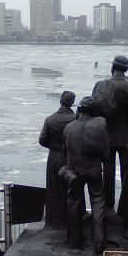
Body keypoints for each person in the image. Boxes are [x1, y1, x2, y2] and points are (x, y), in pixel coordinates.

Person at [91, 55, 128, 210]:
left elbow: (92, 111)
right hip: (126, 136)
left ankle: (108, 206)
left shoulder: (100, 85)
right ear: (126, 69)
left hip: (105, 136)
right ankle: (126, 206)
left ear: (112, 67)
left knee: (107, 172)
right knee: (127, 173)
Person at [61, 97, 110, 252]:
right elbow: (106, 152)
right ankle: (99, 242)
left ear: (79, 110)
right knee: (98, 203)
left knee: (74, 202)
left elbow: (65, 152)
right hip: (94, 169)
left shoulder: (69, 127)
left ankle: (74, 240)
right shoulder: (100, 125)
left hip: (75, 171)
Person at [38, 91, 77, 227]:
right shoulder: (75, 119)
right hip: (70, 157)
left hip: (54, 156)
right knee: (72, 188)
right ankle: (72, 219)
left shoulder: (50, 119)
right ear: (72, 102)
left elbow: (42, 140)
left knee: (54, 188)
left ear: (60, 101)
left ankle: (54, 219)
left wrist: (54, 146)